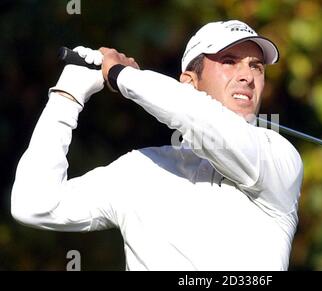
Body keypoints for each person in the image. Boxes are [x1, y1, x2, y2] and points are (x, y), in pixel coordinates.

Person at [11, 20, 303, 270]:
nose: (247, 76)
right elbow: (34, 204)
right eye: (229, 61)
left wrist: (121, 75)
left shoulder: (278, 157)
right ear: (188, 82)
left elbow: (204, 121)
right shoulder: (141, 170)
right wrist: (67, 94)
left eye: (256, 67)